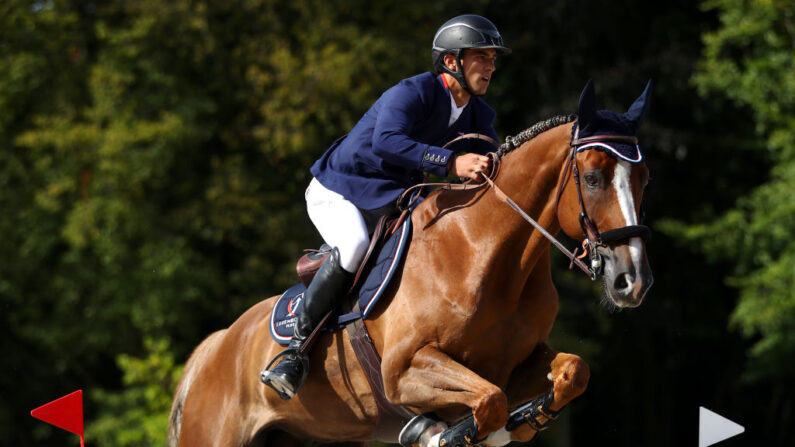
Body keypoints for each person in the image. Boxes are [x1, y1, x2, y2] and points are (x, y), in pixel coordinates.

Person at [260, 14, 511, 400]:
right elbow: (387, 143)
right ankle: (295, 352)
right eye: (482, 56)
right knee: (356, 245)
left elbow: (495, 162)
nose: (491, 66)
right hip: (341, 188)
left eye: (494, 58)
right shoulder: (412, 93)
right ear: (451, 62)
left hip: (391, 198)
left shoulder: (478, 116)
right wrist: (450, 163)